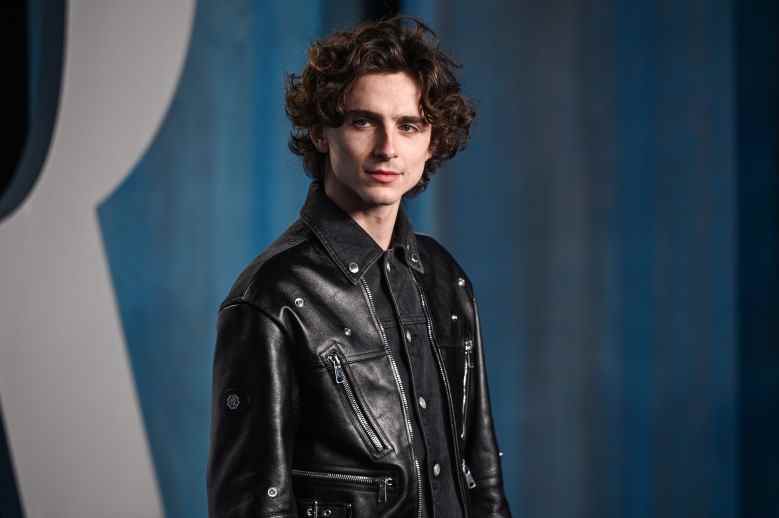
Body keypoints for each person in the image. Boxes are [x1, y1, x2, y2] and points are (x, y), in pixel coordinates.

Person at [207, 16, 511, 518]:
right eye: (363, 121)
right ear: (322, 133)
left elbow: (483, 478)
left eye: (409, 125)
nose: (388, 148)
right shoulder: (273, 298)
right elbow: (251, 505)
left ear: (431, 141)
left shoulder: (445, 277)